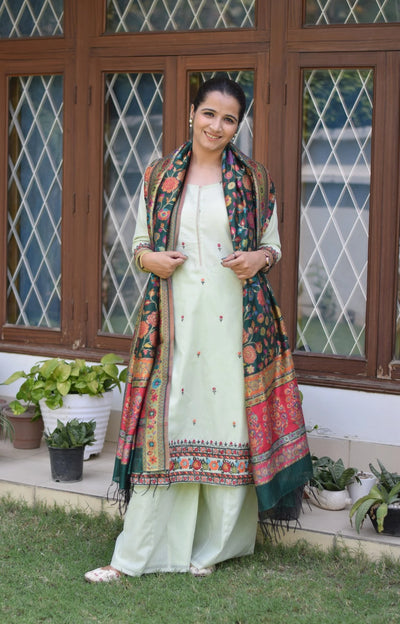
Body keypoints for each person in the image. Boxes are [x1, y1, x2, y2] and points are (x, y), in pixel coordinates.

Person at [85, 75, 312, 583]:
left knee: (228, 421)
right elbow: (139, 242)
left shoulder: (255, 179)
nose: (217, 125)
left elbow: (272, 246)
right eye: (209, 113)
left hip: (237, 323)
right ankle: (136, 556)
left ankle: (212, 550)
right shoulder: (160, 175)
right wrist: (150, 260)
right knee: (168, 425)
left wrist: (259, 256)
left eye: (228, 118)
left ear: (238, 125)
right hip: (174, 320)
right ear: (192, 112)